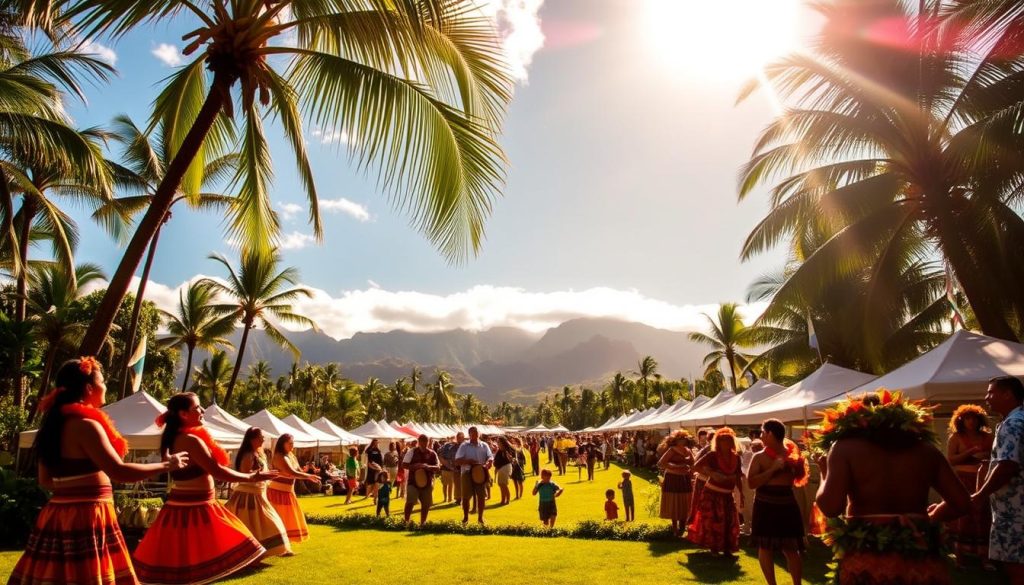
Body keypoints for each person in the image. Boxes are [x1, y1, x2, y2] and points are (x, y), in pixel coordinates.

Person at [8, 358, 190, 585]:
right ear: (89, 388)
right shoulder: (85, 425)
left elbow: (45, 480)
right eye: (102, 381)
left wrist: (71, 494)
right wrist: (167, 465)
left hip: (57, 516)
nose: (106, 385)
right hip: (87, 516)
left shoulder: (53, 425)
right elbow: (119, 471)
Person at [816, 389, 970, 585]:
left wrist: (823, 473)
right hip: (920, 556)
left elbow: (830, 507)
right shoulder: (925, 449)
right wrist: (934, 515)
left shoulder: (845, 447)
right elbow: (963, 503)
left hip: (867, 559)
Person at [133, 393, 273, 584]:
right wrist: (251, 476)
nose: (203, 410)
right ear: (183, 414)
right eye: (197, 407)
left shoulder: (174, 438)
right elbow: (217, 471)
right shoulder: (190, 440)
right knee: (229, 555)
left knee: (186, 565)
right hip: (195, 509)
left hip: (187, 506)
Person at [973, 376, 1024, 584]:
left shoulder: (1012, 424)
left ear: (1008, 394)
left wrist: (980, 495)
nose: (986, 398)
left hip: (1015, 512)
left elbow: (1007, 466)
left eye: (991, 392)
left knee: (1016, 565)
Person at [747, 419, 808, 585]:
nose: (761, 436)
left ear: (770, 434)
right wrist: (773, 469)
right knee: (765, 547)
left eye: (762, 433)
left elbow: (799, 478)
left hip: (787, 503)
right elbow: (751, 483)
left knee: (791, 548)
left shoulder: (794, 456)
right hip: (765, 503)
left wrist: (794, 466)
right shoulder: (759, 457)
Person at [225, 427, 292, 558]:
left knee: (267, 522)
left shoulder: (258, 454)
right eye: (261, 436)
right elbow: (245, 475)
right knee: (253, 525)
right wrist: (263, 475)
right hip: (247, 496)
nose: (263, 439)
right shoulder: (248, 455)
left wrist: (267, 475)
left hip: (258, 494)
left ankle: (267, 550)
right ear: (252, 439)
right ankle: (251, 553)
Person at [946, 404, 996, 570]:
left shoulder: (987, 437)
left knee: (983, 516)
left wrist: (983, 456)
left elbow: (994, 456)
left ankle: (985, 557)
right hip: (963, 481)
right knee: (963, 516)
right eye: (967, 418)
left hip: (982, 479)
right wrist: (969, 453)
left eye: (974, 418)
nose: (971, 422)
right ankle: (960, 557)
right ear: (961, 420)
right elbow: (951, 460)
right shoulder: (956, 437)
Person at [688, 427, 743, 557]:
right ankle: (714, 548)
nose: (726, 443)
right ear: (717, 442)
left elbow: (738, 475)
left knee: (729, 521)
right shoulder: (712, 455)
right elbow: (695, 467)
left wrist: (742, 493)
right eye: (722, 440)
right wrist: (712, 473)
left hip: (727, 494)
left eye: (728, 440)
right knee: (713, 521)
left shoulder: (736, 457)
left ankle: (727, 548)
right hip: (712, 493)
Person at [268, 434, 321, 543]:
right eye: (290, 443)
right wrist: (308, 476)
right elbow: (291, 472)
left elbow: (297, 471)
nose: (293, 445)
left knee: (287, 519)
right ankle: (280, 545)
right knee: (281, 519)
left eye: (293, 442)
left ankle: (284, 545)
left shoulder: (290, 455)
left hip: (287, 492)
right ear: (282, 444)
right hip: (277, 492)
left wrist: (308, 471)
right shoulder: (279, 456)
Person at [657, 429, 694, 537]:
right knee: (674, 501)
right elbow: (661, 463)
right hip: (672, 478)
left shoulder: (688, 450)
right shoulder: (672, 450)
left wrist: (689, 463)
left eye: (684, 439)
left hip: (685, 478)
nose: (682, 441)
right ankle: (674, 528)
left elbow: (693, 463)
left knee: (684, 501)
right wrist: (677, 466)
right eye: (680, 439)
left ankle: (682, 528)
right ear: (675, 440)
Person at [455, 426, 493, 524]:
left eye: (476, 433)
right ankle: (466, 517)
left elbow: (490, 457)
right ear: (469, 435)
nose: (475, 435)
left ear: (479, 434)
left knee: (481, 496)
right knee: (466, 497)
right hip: (467, 473)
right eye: (472, 433)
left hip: (480, 472)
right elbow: (457, 461)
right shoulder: (464, 446)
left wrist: (489, 462)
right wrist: (468, 461)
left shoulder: (484, 445)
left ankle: (480, 518)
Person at [403, 434, 440, 525]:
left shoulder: (432, 453)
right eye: (422, 442)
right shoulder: (412, 452)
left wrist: (428, 467)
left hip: (427, 482)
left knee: (426, 504)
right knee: (410, 502)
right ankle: (406, 522)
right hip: (413, 482)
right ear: (418, 442)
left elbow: (438, 467)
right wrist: (415, 466)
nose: (424, 444)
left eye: (425, 441)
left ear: (428, 442)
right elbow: (404, 465)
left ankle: (423, 523)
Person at [437, 434, 460, 503]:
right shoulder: (449, 446)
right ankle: (447, 498)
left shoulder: (444, 446)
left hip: (447, 468)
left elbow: (439, 454)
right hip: (449, 468)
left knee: (447, 485)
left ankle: (447, 498)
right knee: (448, 485)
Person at [493, 436, 516, 505]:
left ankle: (507, 500)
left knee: (503, 484)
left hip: (505, 468)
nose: (497, 442)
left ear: (502, 442)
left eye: (498, 441)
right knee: (501, 484)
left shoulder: (505, 450)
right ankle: (503, 500)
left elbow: (511, 459)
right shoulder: (500, 450)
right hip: (501, 468)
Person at [364, 438, 384, 503]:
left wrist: (380, 468)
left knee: (376, 484)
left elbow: (381, 461)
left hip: (378, 469)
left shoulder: (379, 451)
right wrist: (374, 467)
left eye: (377, 443)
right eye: (375, 443)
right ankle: (367, 495)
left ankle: (375, 498)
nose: (376, 444)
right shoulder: (370, 450)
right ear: (372, 443)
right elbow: (369, 461)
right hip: (372, 469)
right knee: (370, 483)